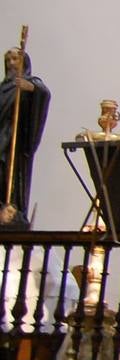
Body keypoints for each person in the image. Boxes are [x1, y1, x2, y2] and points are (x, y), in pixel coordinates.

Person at [0, 41, 51, 228]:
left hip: (17, 141)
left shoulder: (32, 83)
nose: (11, 63)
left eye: (15, 58)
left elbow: (43, 93)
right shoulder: (3, 88)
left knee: (11, 176)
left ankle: (12, 209)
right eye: (8, 60)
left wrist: (30, 89)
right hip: (1, 138)